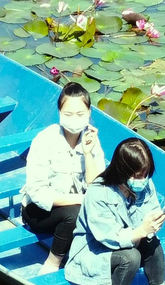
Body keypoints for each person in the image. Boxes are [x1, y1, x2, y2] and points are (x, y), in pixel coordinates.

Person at [65, 137, 165, 285]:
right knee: (130, 257)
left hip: (128, 240)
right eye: (137, 175)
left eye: (146, 174)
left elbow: (149, 222)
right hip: (95, 250)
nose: (142, 180)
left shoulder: (145, 184)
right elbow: (107, 237)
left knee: (153, 244)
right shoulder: (98, 192)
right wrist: (141, 231)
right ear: (122, 170)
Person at [19, 82, 106, 274]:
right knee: (73, 214)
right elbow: (37, 193)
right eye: (68, 114)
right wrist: (81, 199)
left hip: (80, 209)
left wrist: (88, 153)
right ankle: (52, 263)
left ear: (89, 113)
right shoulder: (45, 140)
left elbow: (98, 186)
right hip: (40, 211)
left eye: (80, 114)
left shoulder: (91, 140)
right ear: (59, 112)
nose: (74, 120)